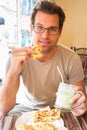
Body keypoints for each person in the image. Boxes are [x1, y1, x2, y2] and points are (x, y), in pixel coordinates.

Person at [0, 0, 87, 116]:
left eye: (52, 29)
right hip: (25, 108)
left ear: (60, 32)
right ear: (31, 28)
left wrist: (80, 103)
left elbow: (80, 94)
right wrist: (12, 71)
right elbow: (3, 109)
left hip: (58, 109)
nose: (45, 35)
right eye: (39, 27)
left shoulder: (71, 58)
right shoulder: (16, 58)